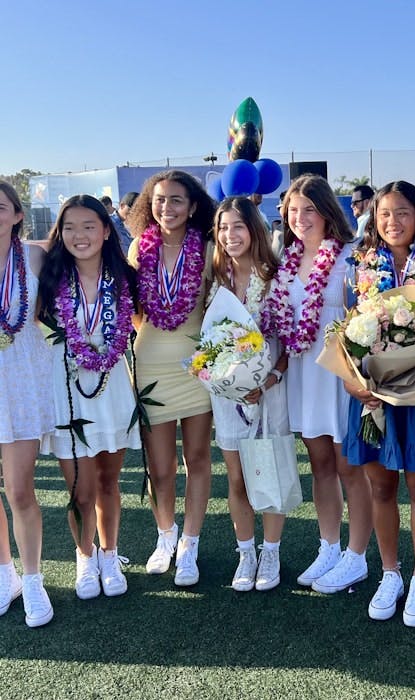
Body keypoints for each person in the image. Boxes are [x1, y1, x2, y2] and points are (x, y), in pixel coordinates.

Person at [343, 180, 415, 626]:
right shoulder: (361, 265)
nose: (393, 222)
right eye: (385, 214)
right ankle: (391, 572)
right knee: (381, 487)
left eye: (402, 212)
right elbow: (346, 330)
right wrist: (353, 379)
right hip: (372, 394)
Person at [262, 174, 373, 594]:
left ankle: (357, 556)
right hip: (304, 376)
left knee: (350, 467)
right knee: (321, 465)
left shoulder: (350, 258)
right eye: (293, 209)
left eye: (309, 209)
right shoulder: (284, 263)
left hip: (341, 377)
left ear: (327, 211)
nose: (300, 217)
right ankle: (328, 545)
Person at [37, 195, 140, 600]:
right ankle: (85, 557)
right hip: (68, 390)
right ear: (59, 234)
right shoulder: (49, 274)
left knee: (109, 481)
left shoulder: (124, 277)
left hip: (112, 388)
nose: (79, 236)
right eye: (69, 227)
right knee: (80, 488)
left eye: (88, 226)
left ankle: (110, 555)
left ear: (106, 229)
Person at [127, 170, 216, 587]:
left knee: (196, 460)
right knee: (159, 468)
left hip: (196, 369)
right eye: (159, 200)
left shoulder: (210, 249)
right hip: (151, 367)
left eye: (176, 200)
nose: (167, 208)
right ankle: (165, 537)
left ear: (193, 206)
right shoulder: (137, 248)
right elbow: (134, 311)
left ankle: (190, 545)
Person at [209, 197, 289, 592]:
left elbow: (293, 339)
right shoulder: (213, 279)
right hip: (227, 395)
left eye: (237, 226)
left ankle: (271, 552)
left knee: (268, 473)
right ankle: (247, 551)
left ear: (253, 229)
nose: (229, 235)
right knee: (237, 477)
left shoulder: (276, 276)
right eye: (223, 227)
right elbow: (207, 343)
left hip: (269, 390)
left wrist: (269, 379)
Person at [0, 181, 55, 627]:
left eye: (1, 207)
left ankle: (34, 580)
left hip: (21, 380)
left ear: (18, 214)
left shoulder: (35, 256)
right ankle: (6, 575)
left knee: (20, 490)